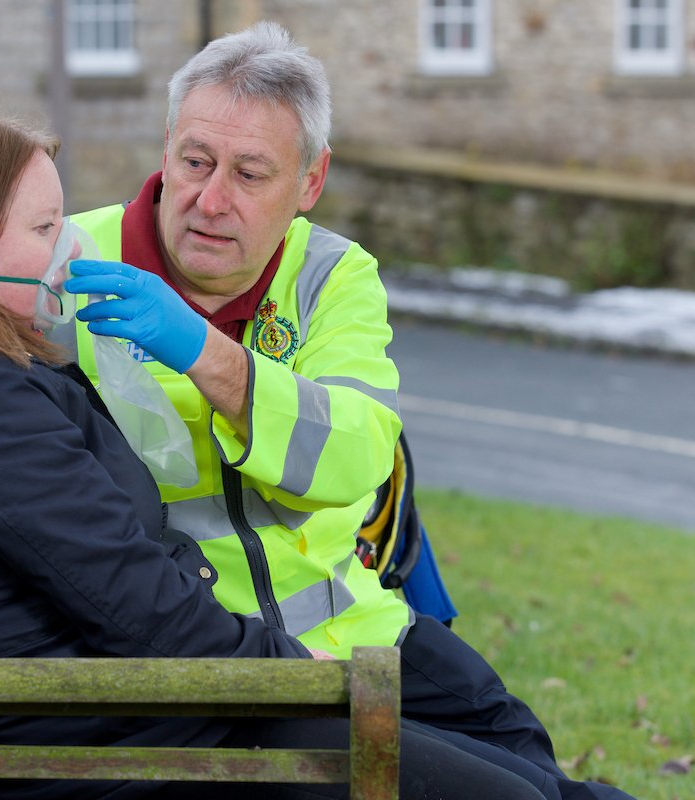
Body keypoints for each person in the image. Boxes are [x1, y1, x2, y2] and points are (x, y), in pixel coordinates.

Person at [0, 108, 552, 800]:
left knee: (516, 773)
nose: (69, 246)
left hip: (114, 716)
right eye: (44, 229)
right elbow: (132, 601)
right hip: (108, 750)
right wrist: (293, 672)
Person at [63, 21, 635, 800]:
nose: (210, 199)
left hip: (361, 632)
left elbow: (358, 454)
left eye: (250, 174)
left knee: (535, 768)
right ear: (166, 147)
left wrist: (203, 353)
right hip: (223, 669)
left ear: (310, 181)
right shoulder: (72, 263)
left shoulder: (331, 274)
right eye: (195, 161)